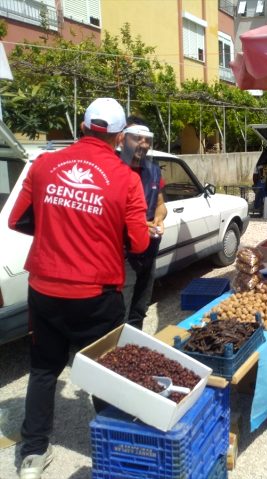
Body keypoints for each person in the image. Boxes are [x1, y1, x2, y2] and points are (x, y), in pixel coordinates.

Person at [8, 98, 150, 479]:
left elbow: (18, 220)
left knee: (42, 371)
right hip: (96, 296)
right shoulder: (126, 179)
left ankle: (33, 456)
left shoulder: (43, 165)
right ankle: (120, 451)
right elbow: (138, 244)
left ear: (83, 127)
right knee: (106, 373)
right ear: (121, 137)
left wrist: (58, 229)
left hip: (45, 289)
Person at [119, 117, 167, 329]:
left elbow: (160, 204)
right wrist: (136, 225)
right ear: (122, 138)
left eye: (146, 139)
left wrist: (159, 217)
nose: (144, 144)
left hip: (148, 248)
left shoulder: (153, 170)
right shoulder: (112, 168)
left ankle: (132, 343)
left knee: (140, 306)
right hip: (122, 253)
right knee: (121, 307)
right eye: (137, 138)